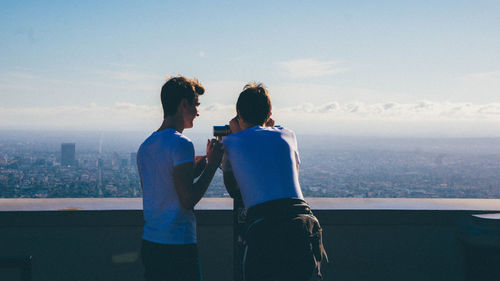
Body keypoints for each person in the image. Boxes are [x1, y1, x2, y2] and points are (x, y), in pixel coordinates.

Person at [221, 83, 328, 281]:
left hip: (265, 230)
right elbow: (293, 173)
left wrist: (235, 135)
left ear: (238, 114)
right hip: (302, 226)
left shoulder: (231, 142)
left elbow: (234, 190)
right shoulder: (288, 135)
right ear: (269, 113)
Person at [137, 76, 224, 281]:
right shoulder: (181, 144)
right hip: (177, 244)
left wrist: (194, 170)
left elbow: (160, 188)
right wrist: (212, 165)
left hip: (150, 241)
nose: (198, 112)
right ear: (183, 104)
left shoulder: (146, 146)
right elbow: (188, 200)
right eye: (195, 104)